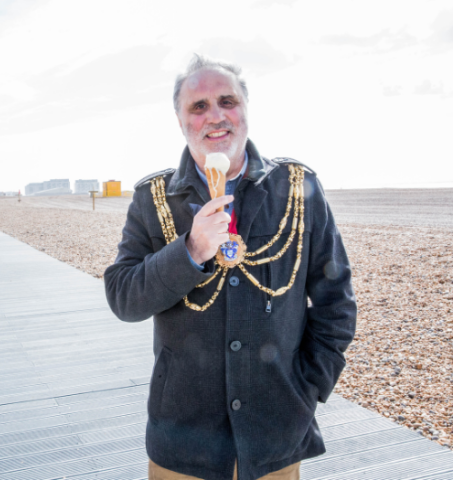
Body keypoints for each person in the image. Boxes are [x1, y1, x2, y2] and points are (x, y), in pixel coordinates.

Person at [104, 54, 357, 480]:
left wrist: (307, 389)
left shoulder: (298, 188)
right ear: (180, 121)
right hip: (182, 441)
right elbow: (123, 298)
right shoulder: (154, 199)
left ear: (246, 110)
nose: (215, 116)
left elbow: (337, 303)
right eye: (198, 106)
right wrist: (189, 250)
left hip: (276, 435)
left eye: (227, 101)